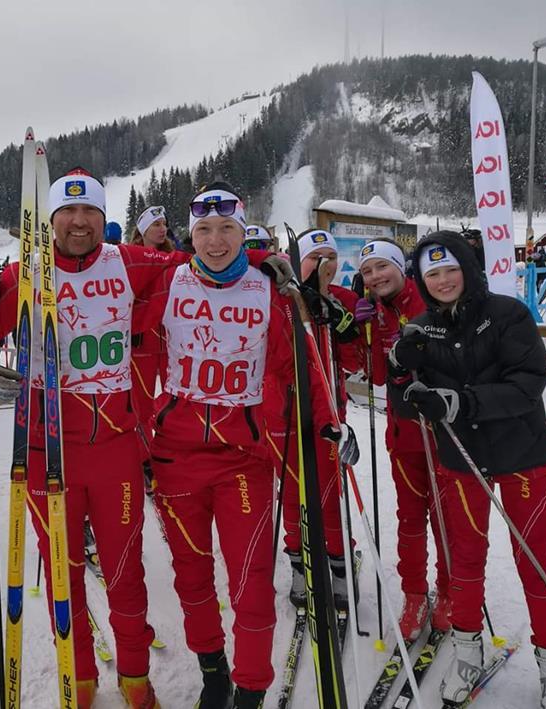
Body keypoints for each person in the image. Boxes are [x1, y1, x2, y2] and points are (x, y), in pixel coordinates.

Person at [0, 169, 172, 709]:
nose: (79, 223)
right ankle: (77, 677)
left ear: (103, 218)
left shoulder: (129, 261)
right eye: (68, 214)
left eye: (90, 213)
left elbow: (200, 266)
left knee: (125, 568)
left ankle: (134, 676)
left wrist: (266, 262)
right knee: (64, 570)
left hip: (117, 448)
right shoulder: (22, 276)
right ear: (50, 220)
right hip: (45, 449)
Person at [140, 183, 332, 709]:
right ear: (191, 235)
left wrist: (327, 424)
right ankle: (214, 673)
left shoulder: (268, 291)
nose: (216, 240)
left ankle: (251, 687)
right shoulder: (165, 282)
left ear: (241, 230)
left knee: (250, 581)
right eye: (204, 229)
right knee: (192, 577)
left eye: (227, 228)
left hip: (243, 459)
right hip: (176, 455)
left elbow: (301, 365)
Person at [388, 231, 546, 709]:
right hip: (463, 464)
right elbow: (405, 405)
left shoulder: (508, 314)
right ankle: (468, 650)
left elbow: (527, 386)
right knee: (465, 564)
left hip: (522, 460)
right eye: (433, 274)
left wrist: (459, 401)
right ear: (422, 281)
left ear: (469, 269)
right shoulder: (421, 327)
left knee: (534, 563)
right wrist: (398, 371)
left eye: (451, 269)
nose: (444, 281)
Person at [354, 239, 449, 641]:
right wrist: (364, 334)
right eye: (368, 271)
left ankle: (449, 592)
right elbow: (376, 376)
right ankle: (414, 594)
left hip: (444, 436)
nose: (376, 277)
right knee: (409, 521)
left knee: (448, 521)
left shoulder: (431, 300)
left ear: (400, 267)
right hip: (402, 436)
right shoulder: (375, 313)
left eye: (382, 267)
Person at [279, 228, 363, 610]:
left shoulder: (344, 298)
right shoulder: (282, 298)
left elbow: (359, 364)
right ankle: (299, 563)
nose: (326, 265)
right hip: (290, 412)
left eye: (331, 257)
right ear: (299, 261)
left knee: (331, 494)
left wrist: (347, 331)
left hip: (331, 412)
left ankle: (340, 564)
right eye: (316, 258)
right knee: (295, 492)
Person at [128, 206, 174, 472]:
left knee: (175, 398)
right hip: (141, 342)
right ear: (144, 229)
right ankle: (145, 458)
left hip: (170, 341)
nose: (162, 228)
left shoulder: (173, 257)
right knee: (140, 405)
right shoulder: (132, 258)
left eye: (164, 223)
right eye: (156, 224)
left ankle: (169, 450)